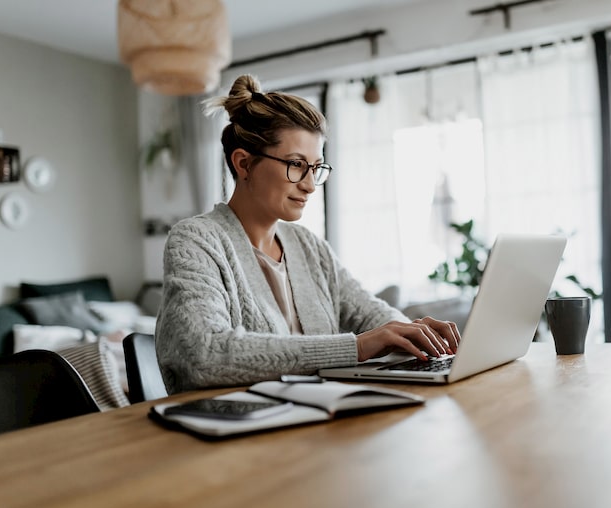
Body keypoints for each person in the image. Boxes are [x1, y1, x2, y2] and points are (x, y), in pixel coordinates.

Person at [155, 74, 460, 394]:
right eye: (297, 165)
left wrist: (414, 334)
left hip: (316, 420)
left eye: (316, 168)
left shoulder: (309, 247)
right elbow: (204, 353)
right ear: (244, 164)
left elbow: (373, 316)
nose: (310, 185)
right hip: (233, 430)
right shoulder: (196, 240)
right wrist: (355, 348)